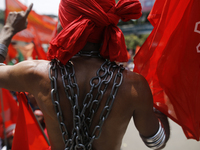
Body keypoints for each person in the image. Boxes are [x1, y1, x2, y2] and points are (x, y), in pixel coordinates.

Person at [0, 0, 170, 150]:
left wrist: (8, 30)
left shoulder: (36, 74)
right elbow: (156, 141)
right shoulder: (134, 85)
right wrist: (158, 106)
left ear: (64, 25)